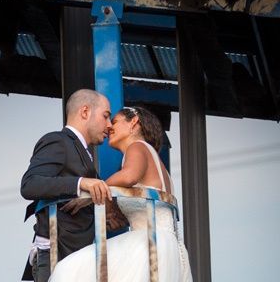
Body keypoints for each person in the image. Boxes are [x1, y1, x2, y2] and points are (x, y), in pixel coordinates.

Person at [49, 106, 193, 282]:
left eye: (115, 121)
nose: (109, 127)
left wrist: (91, 191)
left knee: (68, 269)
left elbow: (128, 176)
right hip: (160, 243)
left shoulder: (137, 147)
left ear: (134, 122)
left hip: (149, 243)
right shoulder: (149, 155)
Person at [20, 89, 113, 282]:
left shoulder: (85, 152)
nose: (109, 125)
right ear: (85, 111)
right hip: (57, 256)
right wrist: (81, 183)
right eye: (106, 116)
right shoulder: (58, 141)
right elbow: (30, 184)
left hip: (77, 256)